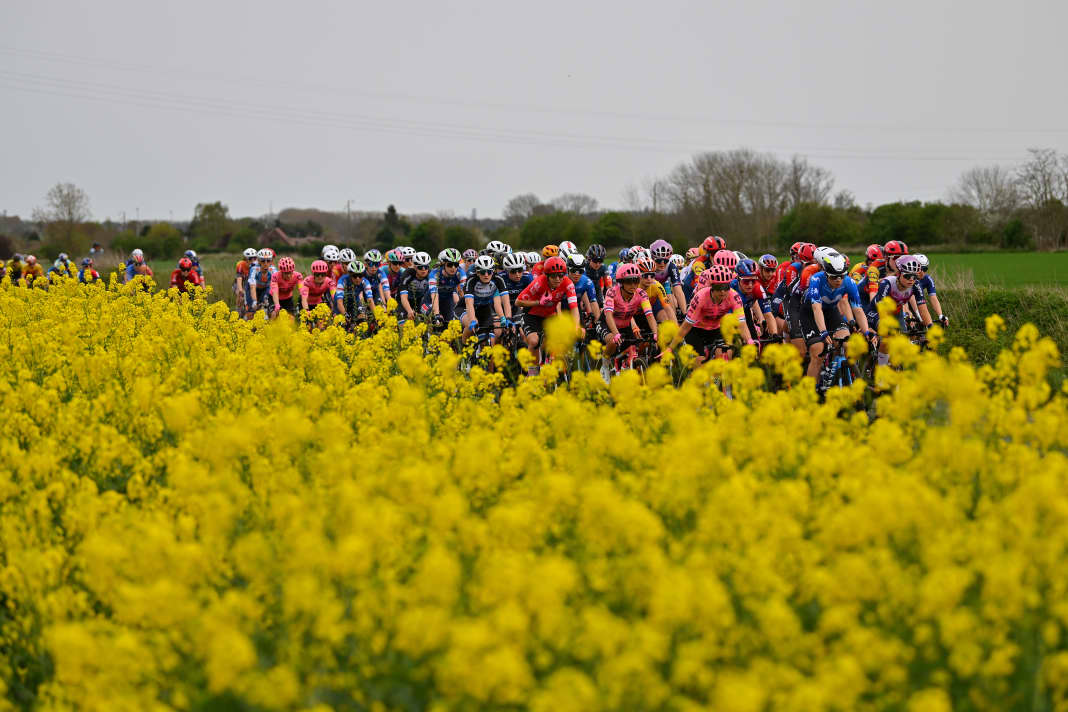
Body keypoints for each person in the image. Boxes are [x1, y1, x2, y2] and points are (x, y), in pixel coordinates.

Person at [801, 251, 873, 379]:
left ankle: (846, 378)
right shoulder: (816, 279)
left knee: (848, 344)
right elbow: (817, 309)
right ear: (826, 274)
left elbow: (858, 309)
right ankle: (810, 392)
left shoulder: (849, 282)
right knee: (818, 351)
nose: (838, 280)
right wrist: (823, 331)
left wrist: (867, 332)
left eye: (842, 276)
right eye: (834, 277)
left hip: (830, 311)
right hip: (810, 313)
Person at [663, 264, 752, 363]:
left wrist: (750, 341)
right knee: (700, 361)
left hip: (716, 329)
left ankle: (717, 379)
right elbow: (686, 326)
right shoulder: (701, 297)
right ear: (712, 286)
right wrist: (670, 348)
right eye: (718, 287)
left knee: (724, 356)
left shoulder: (734, 296)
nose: (722, 291)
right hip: (696, 330)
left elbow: (742, 324)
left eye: (726, 287)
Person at [514, 255, 580, 374]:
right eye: (553, 276)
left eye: (561, 275)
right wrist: (538, 302)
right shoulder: (539, 283)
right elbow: (518, 302)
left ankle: (553, 368)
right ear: (547, 275)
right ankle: (533, 374)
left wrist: (576, 326)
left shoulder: (568, 283)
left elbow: (574, 308)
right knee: (534, 341)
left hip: (549, 316)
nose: (558, 279)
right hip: (531, 315)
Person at [461, 255, 509, 343]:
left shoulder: (498, 279)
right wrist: (472, 320)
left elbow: (506, 301)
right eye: (483, 272)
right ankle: (463, 349)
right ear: (477, 272)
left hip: (484, 310)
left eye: (489, 272)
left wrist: (507, 318)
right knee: (470, 326)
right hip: (465, 308)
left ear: (493, 271)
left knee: (485, 339)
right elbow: (468, 303)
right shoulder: (471, 280)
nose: (486, 275)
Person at [428, 248, 464, 327]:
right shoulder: (435, 274)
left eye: (456, 264)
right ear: (443, 264)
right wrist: (437, 314)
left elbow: (463, 292)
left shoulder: (460, 273)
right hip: (430, 301)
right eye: (450, 264)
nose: (453, 267)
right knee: (434, 320)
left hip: (447, 302)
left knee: (449, 325)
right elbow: (434, 295)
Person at [913, 254, 948, 328]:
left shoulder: (927, 279)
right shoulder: (908, 280)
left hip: (920, 304)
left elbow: (933, 298)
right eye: (919, 269)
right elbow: (910, 297)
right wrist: (917, 313)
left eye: (925, 269)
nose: (922, 272)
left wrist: (940, 315)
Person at [397, 251, 432, 321]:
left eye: (426, 267)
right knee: (403, 321)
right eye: (420, 267)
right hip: (405, 300)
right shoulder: (407, 274)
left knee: (430, 314)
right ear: (415, 267)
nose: (424, 270)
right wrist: (409, 310)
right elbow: (403, 297)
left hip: (420, 301)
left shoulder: (431, 274)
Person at [247, 249, 276, 318]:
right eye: (263, 261)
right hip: (253, 289)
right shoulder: (254, 269)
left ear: (271, 261)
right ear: (259, 261)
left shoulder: (273, 270)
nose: (266, 263)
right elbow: (252, 287)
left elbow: (276, 286)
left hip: (265, 289)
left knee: (265, 305)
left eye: (268, 261)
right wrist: (254, 301)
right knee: (251, 311)